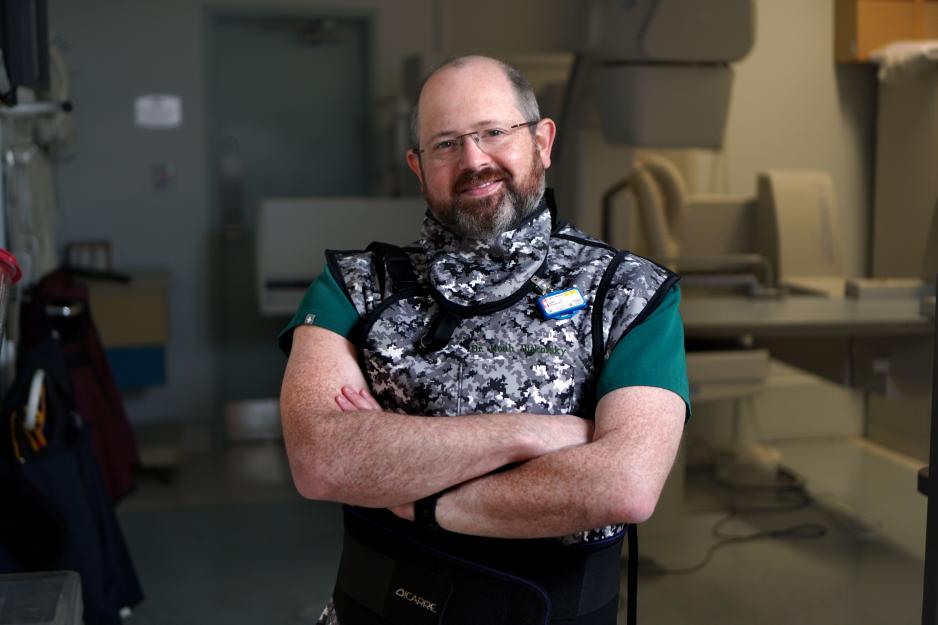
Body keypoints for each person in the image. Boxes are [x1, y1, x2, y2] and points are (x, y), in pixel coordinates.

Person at [278, 55, 688, 625]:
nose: (474, 160)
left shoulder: (628, 294)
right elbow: (321, 460)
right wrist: (538, 434)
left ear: (543, 141)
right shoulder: (353, 286)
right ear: (418, 167)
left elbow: (625, 483)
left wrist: (422, 499)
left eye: (494, 132)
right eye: (446, 144)